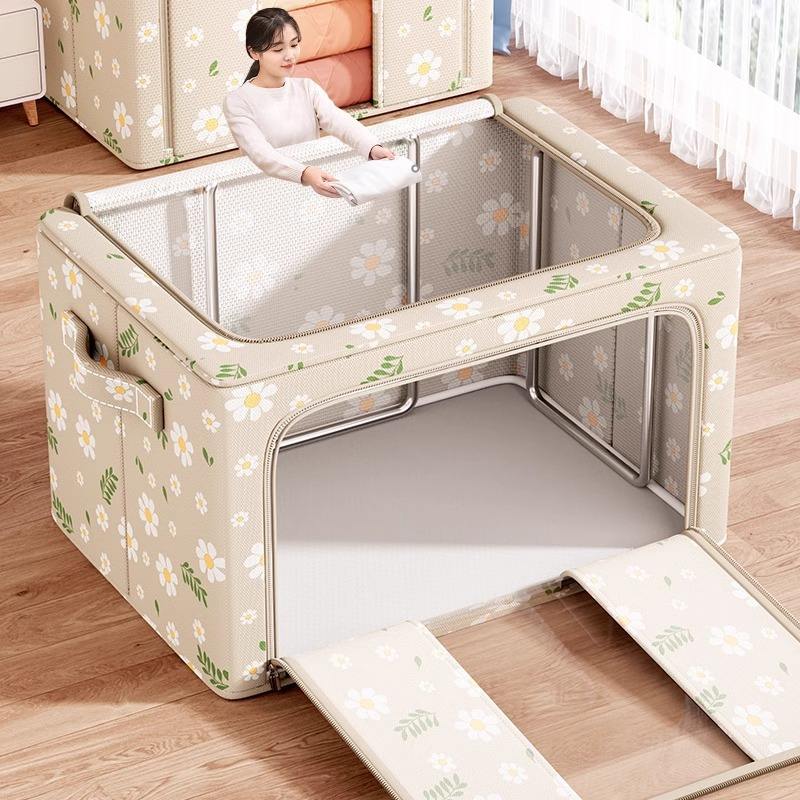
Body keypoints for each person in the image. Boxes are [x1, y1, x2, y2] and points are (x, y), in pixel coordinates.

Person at [223, 7, 395, 198]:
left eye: (294, 45)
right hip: (266, 192)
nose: (290, 55)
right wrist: (305, 173)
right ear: (254, 52)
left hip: (310, 188)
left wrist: (372, 147)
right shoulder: (237, 102)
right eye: (278, 49)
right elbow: (261, 154)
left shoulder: (306, 88)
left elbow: (339, 121)